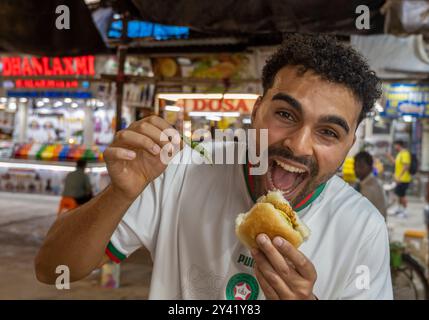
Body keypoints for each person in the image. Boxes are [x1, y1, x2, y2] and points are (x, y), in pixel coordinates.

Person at [35, 34, 392, 300]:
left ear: (349, 146)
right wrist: (120, 193)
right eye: (285, 114)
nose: (298, 145)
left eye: (328, 132)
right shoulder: (179, 169)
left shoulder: (362, 228)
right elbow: (53, 270)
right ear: (256, 112)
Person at [354, 151, 387, 220]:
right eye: (355, 166)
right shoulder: (362, 183)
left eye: (361, 167)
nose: (357, 170)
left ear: (370, 168)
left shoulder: (373, 187)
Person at [386, 140, 412, 217]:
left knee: (402, 195)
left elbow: (406, 166)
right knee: (399, 194)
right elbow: (395, 163)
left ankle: (405, 211)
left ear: (399, 145)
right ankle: (399, 209)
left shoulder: (405, 153)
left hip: (403, 179)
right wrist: (389, 157)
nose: (394, 147)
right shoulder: (400, 154)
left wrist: (399, 177)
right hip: (399, 179)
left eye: (395, 145)